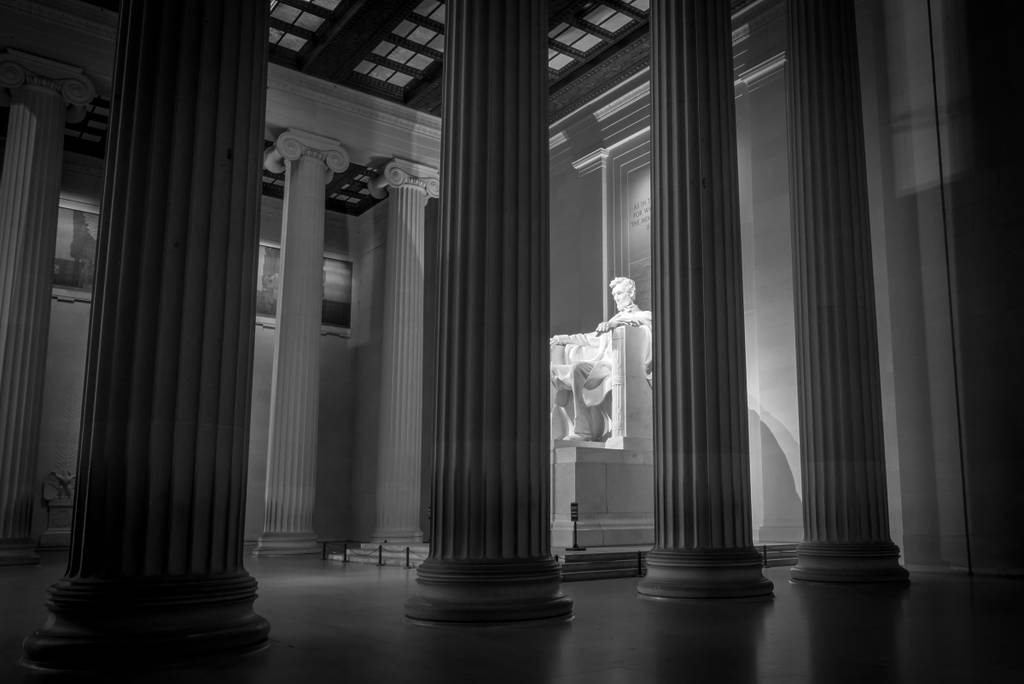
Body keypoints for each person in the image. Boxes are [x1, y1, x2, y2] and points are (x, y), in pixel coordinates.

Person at [550, 277, 652, 441]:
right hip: (602, 364)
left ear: (631, 293)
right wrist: (563, 339)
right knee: (560, 370)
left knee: (577, 369)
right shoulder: (612, 321)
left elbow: (644, 321)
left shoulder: (644, 315)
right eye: (614, 295)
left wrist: (615, 323)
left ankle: (583, 431)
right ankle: (571, 428)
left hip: (619, 365)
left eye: (619, 293)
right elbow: (590, 338)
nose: (616, 298)